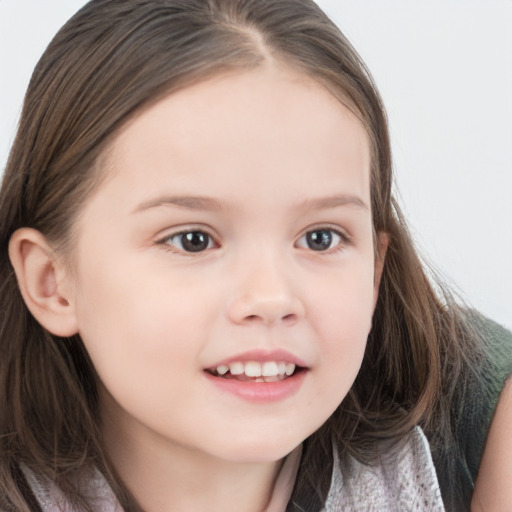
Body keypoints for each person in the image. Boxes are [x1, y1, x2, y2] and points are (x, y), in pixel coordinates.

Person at [0, 1, 510, 511]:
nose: (270, 298)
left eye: (320, 238)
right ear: (52, 281)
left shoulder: (473, 429)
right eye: (192, 239)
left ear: (373, 274)